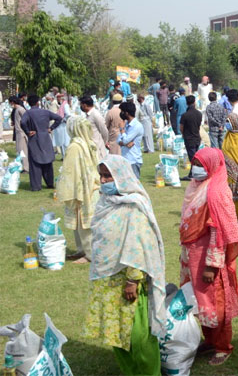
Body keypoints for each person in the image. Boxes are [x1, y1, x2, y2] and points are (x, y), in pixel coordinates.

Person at [84, 155, 166, 376]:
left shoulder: (134, 206)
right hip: (106, 281)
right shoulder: (104, 203)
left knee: (138, 337)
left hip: (128, 283)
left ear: (120, 176)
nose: (103, 180)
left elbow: (138, 244)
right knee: (116, 335)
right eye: (101, 175)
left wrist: (132, 279)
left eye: (108, 175)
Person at [179, 148, 238, 366]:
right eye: (194, 163)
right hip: (192, 256)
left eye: (200, 164)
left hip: (209, 258)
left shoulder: (216, 192)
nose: (195, 168)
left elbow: (219, 232)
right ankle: (210, 340)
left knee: (217, 303)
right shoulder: (196, 187)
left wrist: (212, 266)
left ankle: (223, 346)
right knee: (199, 301)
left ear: (211, 166)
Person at [57, 116, 100, 264]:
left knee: (84, 224)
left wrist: (64, 188)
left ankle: (90, 255)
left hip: (82, 188)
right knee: (80, 223)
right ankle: (82, 250)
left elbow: (70, 171)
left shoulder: (75, 146)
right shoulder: (87, 142)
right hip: (91, 186)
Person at [20, 94, 62, 191]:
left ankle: (36, 186)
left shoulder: (28, 113)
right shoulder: (45, 112)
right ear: (38, 102)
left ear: (29, 104)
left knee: (35, 163)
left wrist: (27, 131)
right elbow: (59, 118)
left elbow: (22, 122)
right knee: (47, 162)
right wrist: (51, 128)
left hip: (34, 138)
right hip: (45, 138)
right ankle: (50, 183)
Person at [118, 102, 144, 178]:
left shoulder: (136, 126)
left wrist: (122, 129)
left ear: (126, 113)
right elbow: (119, 140)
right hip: (125, 158)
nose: (121, 113)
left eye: (122, 111)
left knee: (134, 186)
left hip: (133, 160)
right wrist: (125, 142)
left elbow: (125, 140)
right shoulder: (126, 124)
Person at [180, 95, 203, 178]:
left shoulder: (185, 115)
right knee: (195, 156)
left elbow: (181, 128)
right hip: (197, 137)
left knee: (193, 158)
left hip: (189, 138)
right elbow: (199, 125)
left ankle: (195, 174)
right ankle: (191, 174)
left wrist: (183, 134)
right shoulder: (199, 114)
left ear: (186, 103)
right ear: (194, 102)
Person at [10, 97, 30, 172]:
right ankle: (21, 166)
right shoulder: (16, 110)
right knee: (19, 151)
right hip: (18, 132)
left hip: (22, 133)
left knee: (23, 151)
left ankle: (26, 168)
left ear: (12, 102)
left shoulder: (20, 109)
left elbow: (27, 119)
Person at [52, 93, 71, 158]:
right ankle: (64, 156)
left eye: (59, 98)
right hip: (61, 125)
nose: (58, 99)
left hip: (63, 125)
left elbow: (68, 114)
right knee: (62, 142)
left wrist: (63, 119)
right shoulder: (62, 105)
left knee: (65, 142)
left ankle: (65, 157)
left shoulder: (65, 105)